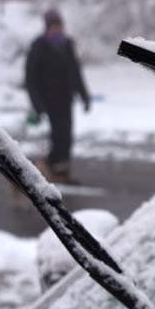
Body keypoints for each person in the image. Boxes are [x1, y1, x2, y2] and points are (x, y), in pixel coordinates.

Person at [25, 9, 90, 182]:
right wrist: (37, 104)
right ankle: (53, 170)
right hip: (47, 101)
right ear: (47, 27)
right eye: (53, 26)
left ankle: (61, 171)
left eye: (58, 25)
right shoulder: (38, 46)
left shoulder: (68, 44)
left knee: (67, 136)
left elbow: (75, 72)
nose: (56, 29)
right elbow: (30, 78)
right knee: (56, 136)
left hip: (65, 99)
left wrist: (84, 96)